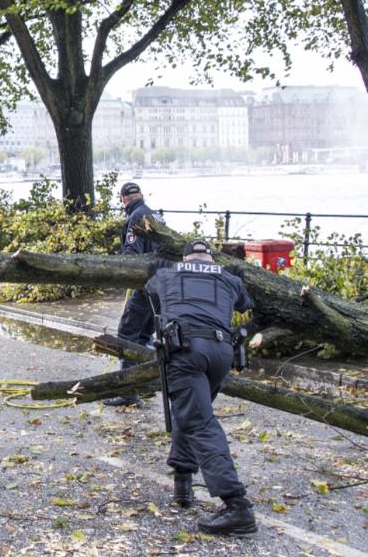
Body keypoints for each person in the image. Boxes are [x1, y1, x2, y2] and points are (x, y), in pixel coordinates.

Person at [144, 239, 257, 536]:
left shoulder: (168, 274)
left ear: (185, 258)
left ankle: (236, 505)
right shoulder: (228, 278)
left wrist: (154, 271)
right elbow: (247, 303)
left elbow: (150, 291)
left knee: (199, 422)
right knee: (193, 414)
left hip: (185, 352)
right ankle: (183, 483)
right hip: (221, 353)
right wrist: (234, 277)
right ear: (210, 258)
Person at [106, 182, 162, 407]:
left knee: (128, 334)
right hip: (163, 286)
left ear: (122, 200)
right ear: (142, 195)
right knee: (146, 335)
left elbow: (131, 254)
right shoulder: (155, 215)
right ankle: (146, 384)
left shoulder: (135, 219)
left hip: (145, 284)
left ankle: (128, 391)